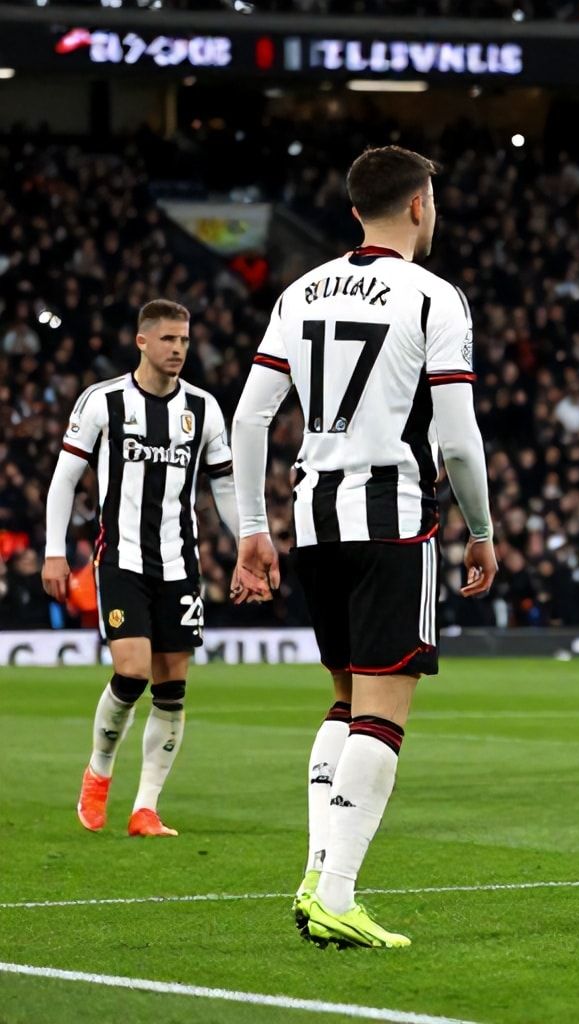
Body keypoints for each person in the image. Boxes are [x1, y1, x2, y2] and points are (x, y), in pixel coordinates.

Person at [231, 145, 498, 949]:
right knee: (383, 712)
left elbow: (249, 419)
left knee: (346, 702)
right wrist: (481, 529)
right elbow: (456, 438)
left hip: (314, 518)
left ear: (357, 211)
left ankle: (318, 873)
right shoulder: (434, 297)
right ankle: (337, 892)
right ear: (420, 205)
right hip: (391, 518)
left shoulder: (299, 291)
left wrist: (251, 527)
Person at [44, 299, 237, 840]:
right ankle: (99, 772)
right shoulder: (103, 401)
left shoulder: (203, 408)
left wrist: (249, 544)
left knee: (172, 685)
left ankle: (146, 808)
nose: (178, 349)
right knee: (131, 670)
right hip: (123, 559)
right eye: (169, 339)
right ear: (143, 341)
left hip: (180, 563)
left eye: (184, 339)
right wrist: (55, 551)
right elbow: (64, 480)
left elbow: (223, 484)